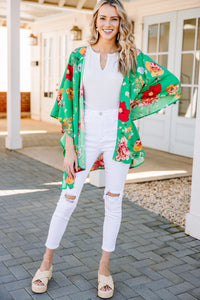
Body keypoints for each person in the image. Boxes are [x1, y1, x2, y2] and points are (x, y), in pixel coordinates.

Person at [31, 0, 181, 298]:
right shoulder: (79, 56)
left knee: (113, 201)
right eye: (103, 18)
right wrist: (69, 147)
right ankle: (46, 264)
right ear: (95, 21)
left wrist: (131, 111)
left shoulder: (131, 56)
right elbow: (66, 101)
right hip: (85, 133)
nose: (108, 24)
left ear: (120, 22)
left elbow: (168, 83)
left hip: (118, 134)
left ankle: (104, 268)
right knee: (67, 199)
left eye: (114, 18)